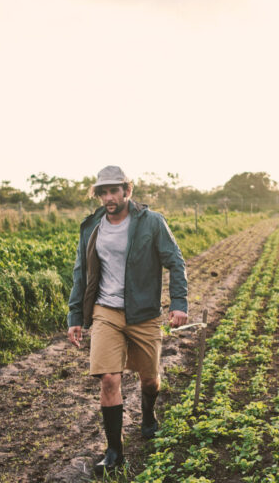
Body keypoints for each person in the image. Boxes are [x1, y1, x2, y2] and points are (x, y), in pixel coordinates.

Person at [66, 165, 189, 475]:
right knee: (108, 378)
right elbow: (81, 272)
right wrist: (76, 316)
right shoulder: (91, 226)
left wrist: (178, 303)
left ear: (127, 191)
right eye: (102, 192)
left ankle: (148, 415)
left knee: (149, 379)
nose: (108, 197)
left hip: (144, 313)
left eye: (113, 191)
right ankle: (114, 452)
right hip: (105, 311)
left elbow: (175, 262)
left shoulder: (152, 223)